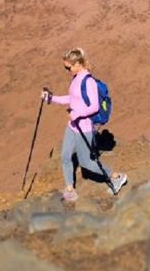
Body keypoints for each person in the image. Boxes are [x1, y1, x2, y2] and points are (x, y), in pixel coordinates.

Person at [42, 47, 127, 201]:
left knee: (86, 163)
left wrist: (77, 114)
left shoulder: (89, 82)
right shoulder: (76, 79)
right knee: (65, 156)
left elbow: (94, 106)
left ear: (77, 64)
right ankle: (70, 189)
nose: (67, 70)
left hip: (84, 127)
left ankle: (116, 177)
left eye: (68, 67)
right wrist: (51, 98)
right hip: (73, 125)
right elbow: (72, 98)